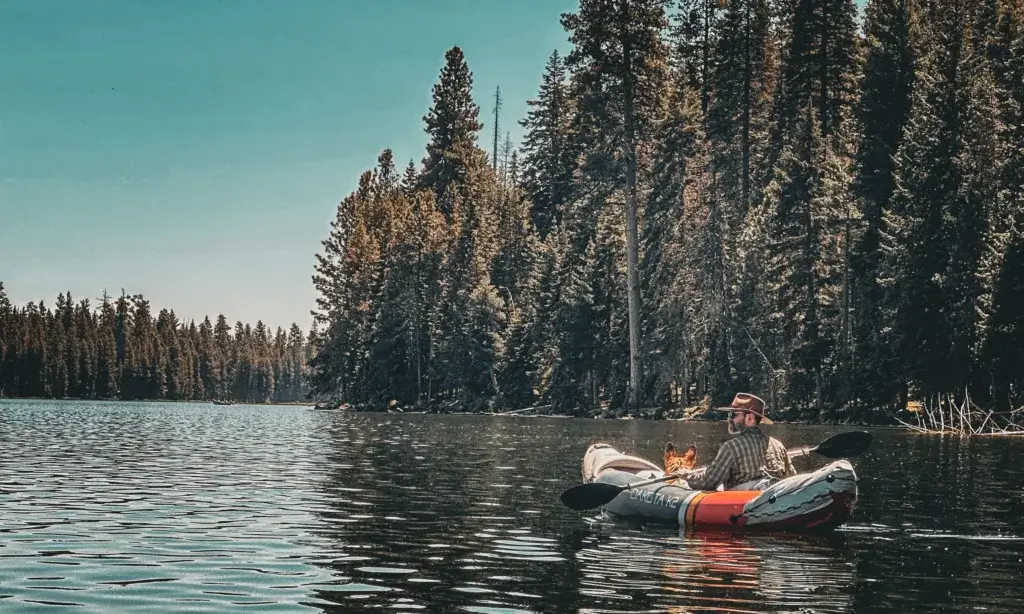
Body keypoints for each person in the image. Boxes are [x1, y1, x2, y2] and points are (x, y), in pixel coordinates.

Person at [672, 392, 795, 491]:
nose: (728, 418)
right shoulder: (778, 445)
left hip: (744, 506)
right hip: (775, 498)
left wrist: (684, 474)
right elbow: (792, 478)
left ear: (750, 418)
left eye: (733, 414)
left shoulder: (731, 447)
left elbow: (707, 483)